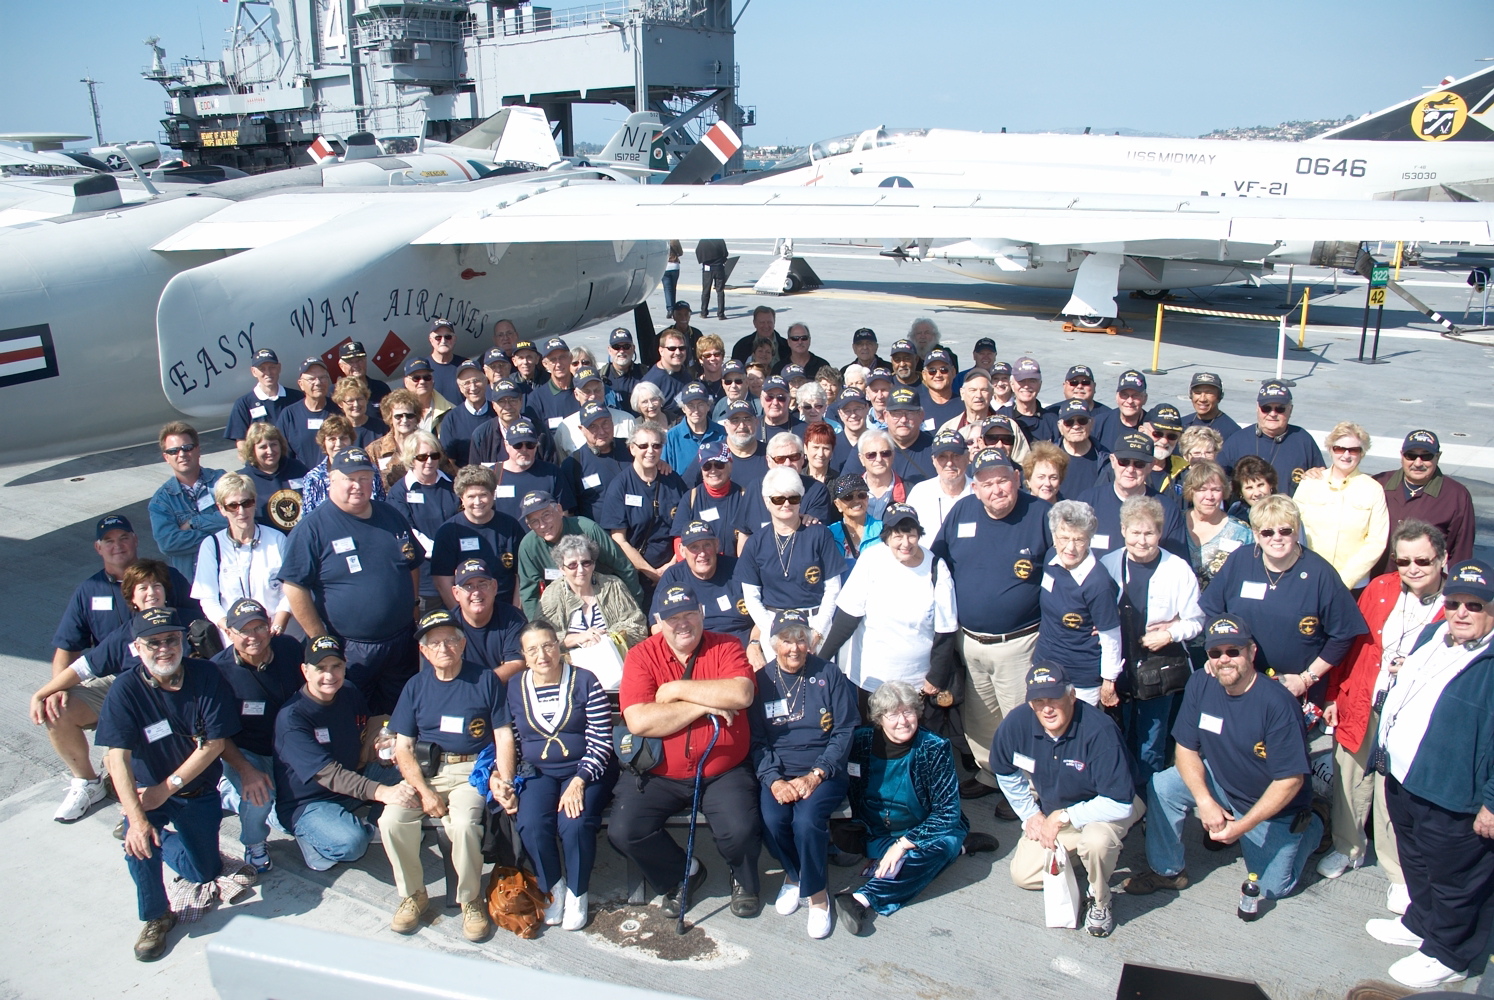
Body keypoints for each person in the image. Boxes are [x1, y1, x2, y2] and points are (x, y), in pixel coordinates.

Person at [1122, 614, 1323, 910]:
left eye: (1233, 651)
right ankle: (1168, 871)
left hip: (1269, 805)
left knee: (1272, 887)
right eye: (1215, 653)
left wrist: (1241, 827)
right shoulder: (1202, 683)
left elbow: (1290, 780)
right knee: (1163, 785)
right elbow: (1185, 749)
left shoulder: (1277, 704)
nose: (1224, 659)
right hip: (1223, 779)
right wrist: (1205, 801)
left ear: (1251, 652)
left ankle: (1317, 822)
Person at [1368, 559, 1494, 989]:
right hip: (1406, 777)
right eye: (1454, 602)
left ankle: (1451, 953)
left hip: (1454, 794)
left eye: (1474, 606)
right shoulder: (1433, 634)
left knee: (1454, 879)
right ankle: (1421, 922)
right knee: (1417, 862)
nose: (1461, 612)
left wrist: (1493, 803)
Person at [609, 584, 762, 918]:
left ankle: (744, 878)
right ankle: (684, 872)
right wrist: (702, 705)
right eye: (672, 618)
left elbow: (741, 693)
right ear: (659, 623)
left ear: (702, 614)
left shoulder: (727, 646)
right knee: (624, 831)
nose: (683, 624)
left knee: (740, 830)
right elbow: (639, 720)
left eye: (690, 614)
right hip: (660, 772)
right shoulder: (641, 656)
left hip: (722, 770)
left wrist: (676, 690)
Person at [96, 608, 237, 962]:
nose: (164, 649)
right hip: (147, 793)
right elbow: (117, 759)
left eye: (171, 640)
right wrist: (137, 817)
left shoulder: (206, 675)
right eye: (153, 642)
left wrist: (167, 788)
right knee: (139, 842)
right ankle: (156, 916)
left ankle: (167, 841)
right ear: (137, 648)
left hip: (196, 792)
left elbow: (214, 745)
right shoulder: (125, 689)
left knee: (206, 871)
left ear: (183, 642)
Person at [1319, 521, 1445, 907]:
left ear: (1442, 559)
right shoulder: (1381, 588)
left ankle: (1397, 870)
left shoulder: (1457, 603)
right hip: (1363, 700)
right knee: (1349, 777)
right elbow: (1352, 644)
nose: (1412, 568)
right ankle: (1348, 847)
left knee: (1395, 792)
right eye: (1403, 560)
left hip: (1413, 714)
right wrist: (1334, 694)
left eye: (1422, 560)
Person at [380, 609, 516, 941]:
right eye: (435, 643)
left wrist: (505, 778)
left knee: (466, 825)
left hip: (470, 770)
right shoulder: (415, 686)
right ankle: (413, 895)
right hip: (427, 773)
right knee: (391, 820)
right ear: (424, 651)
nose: (444, 648)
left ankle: (470, 900)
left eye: (451, 640)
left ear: (463, 644)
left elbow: (504, 736)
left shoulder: (484, 680)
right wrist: (424, 792)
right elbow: (402, 748)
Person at [37, 550, 198, 822]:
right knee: (61, 712)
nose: (151, 592)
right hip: (136, 702)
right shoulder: (125, 634)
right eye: (143, 588)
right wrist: (45, 692)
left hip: (184, 704)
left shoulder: (191, 620)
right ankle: (91, 785)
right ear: (132, 599)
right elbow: (83, 667)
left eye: (157, 585)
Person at [932, 447, 1051, 806]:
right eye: (987, 483)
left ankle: (1028, 789)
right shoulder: (962, 511)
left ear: (1017, 479)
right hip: (969, 641)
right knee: (981, 717)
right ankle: (992, 772)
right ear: (975, 488)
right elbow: (937, 561)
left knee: (1021, 719)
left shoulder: (1041, 514)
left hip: (1020, 642)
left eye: (1003, 480)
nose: (996, 489)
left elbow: (1066, 572)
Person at [992, 662, 1144, 938]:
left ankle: (1100, 899)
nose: (1047, 708)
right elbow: (1004, 769)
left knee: (1096, 842)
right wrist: (1030, 815)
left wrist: (1063, 817)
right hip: (1055, 813)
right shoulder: (1016, 723)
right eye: (1039, 701)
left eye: (1055, 698)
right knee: (1023, 875)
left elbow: (1120, 801)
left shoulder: (1099, 730)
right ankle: (1083, 860)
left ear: (1072, 696)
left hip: (1108, 807)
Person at [278, 447, 423, 714]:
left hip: (401, 642)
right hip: (351, 649)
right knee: (354, 714)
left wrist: (411, 605)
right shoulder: (313, 528)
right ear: (332, 479)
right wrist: (319, 637)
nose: (358, 485)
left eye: (365, 478)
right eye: (350, 478)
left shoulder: (390, 515)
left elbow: (412, 562)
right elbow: (294, 586)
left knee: (401, 713)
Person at [837, 680, 979, 935]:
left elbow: (947, 812)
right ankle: (962, 847)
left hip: (919, 831)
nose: (903, 721)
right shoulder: (859, 742)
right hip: (874, 832)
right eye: (893, 714)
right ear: (880, 718)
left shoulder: (934, 747)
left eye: (908, 712)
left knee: (941, 845)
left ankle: (861, 900)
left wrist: (902, 844)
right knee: (915, 861)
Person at [749, 610, 859, 938]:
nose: (794, 647)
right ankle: (794, 875)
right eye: (786, 640)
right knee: (772, 819)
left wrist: (816, 773)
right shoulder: (762, 682)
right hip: (780, 773)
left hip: (824, 771)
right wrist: (774, 779)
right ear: (774, 644)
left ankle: (818, 896)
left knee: (807, 822)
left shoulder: (829, 674)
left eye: (801, 638)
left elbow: (844, 730)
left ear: (810, 641)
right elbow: (757, 740)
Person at [1200, 494, 1367, 707]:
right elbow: (1213, 611)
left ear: (1296, 531)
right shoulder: (1239, 561)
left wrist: (1308, 678)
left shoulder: (1320, 574)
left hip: (1293, 689)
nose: (1276, 538)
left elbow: (1344, 634)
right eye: (1267, 532)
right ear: (1256, 534)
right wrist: (1217, 654)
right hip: (1239, 682)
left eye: (1285, 530)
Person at [508, 620, 618, 931]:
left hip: (587, 768)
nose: (542, 654)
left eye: (547, 645)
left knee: (575, 822)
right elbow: (513, 740)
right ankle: (553, 886)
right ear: (525, 656)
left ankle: (577, 892)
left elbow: (601, 738)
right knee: (530, 822)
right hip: (538, 772)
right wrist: (506, 779)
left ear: (559, 646)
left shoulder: (585, 681)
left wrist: (580, 780)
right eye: (533, 650)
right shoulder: (515, 687)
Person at [273, 634, 414, 872]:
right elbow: (329, 775)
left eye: (336, 666)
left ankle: (372, 820)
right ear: (305, 671)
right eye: (320, 668)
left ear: (345, 666)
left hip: (351, 785)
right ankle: (310, 836)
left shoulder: (348, 691)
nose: (330, 675)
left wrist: (385, 738)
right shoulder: (292, 718)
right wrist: (383, 792)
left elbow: (367, 726)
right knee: (352, 844)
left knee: (407, 764)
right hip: (311, 801)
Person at [1100, 496, 1206, 782]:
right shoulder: (1108, 564)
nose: (1141, 540)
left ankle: (1148, 804)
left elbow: (1196, 620)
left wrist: (1169, 634)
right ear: (1123, 530)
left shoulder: (1177, 569)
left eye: (1149, 533)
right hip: (1118, 667)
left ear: (1160, 533)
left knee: (1151, 743)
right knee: (1116, 736)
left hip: (1159, 667)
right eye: (1135, 532)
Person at [820, 504, 959, 714]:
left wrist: (936, 676)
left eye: (911, 536)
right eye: (898, 536)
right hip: (872, 680)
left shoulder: (936, 567)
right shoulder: (871, 559)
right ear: (886, 537)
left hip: (918, 683)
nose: (905, 544)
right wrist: (821, 662)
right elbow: (848, 617)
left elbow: (945, 630)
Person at [211, 598, 303, 873]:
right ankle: (254, 843)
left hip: (291, 744)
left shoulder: (289, 649)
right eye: (244, 631)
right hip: (247, 751)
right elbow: (217, 734)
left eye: (260, 627)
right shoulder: (217, 671)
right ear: (229, 633)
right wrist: (246, 770)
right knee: (259, 794)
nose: (254, 637)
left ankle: (230, 794)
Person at [737, 466, 846, 645]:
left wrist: (818, 630)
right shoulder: (755, 543)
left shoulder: (820, 534)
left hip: (815, 623)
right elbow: (751, 596)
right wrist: (773, 631)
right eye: (778, 499)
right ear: (767, 501)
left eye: (793, 498)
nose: (786, 504)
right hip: (773, 626)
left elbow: (833, 588)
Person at [1037, 500, 1122, 706]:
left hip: (1080, 677)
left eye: (1079, 539)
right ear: (1054, 537)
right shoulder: (1050, 559)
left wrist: (1109, 681)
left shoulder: (1098, 583)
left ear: (1090, 539)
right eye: (1064, 538)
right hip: (1044, 665)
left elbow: (1111, 637)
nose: (1070, 547)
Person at [192, 472, 292, 644]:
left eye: (247, 503)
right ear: (221, 509)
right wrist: (230, 630)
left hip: (277, 636)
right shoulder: (212, 546)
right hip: (235, 641)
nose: (241, 511)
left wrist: (277, 627)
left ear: (254, 501)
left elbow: (290, 591)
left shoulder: (277, 540)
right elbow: (208, 599)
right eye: (233, 506)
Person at [516, 491, 643, 620]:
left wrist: (636, 607)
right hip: (563, 607)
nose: (543, 525)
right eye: (535, 522)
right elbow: (529, 593)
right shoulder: (528, 546)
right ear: (529, 526)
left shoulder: (587, 529)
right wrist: (538, 629)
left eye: (546, 515)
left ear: (559, 510)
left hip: (604, 598)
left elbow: (624, 568)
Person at [1295, 421, 1390, 590]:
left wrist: (1345, 579)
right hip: (1309, 579)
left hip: (1353, 585)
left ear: (1362, 453)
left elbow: (1377, 541)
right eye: (1339, 448)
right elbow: (1293, 528)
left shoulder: (1373, 489)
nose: (1346, 455)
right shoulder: (1310, 483)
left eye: (1354, 450)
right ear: (1330, 449)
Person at [1371, 429, 1476, 576]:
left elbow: (1461, 551)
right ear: (1402, 455)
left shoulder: (1456, 496)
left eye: (1426, 456)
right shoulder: (1378, 484)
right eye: (1411, 456)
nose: (1418, 463)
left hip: (1423, 585)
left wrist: (1456, 592)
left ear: (1438, 457)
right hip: (1376, 584)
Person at [1079, 432, 1188, 562]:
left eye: (1139, 464)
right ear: (1113, 461)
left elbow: (1176, 563)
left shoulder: (1167, 509)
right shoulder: (1087, 502)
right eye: (1124, 462)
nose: (1130, 469)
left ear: (1151, 466)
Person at [651, 521, 758, 655]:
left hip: (743, 648)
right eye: (694, 547)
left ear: (717, 545)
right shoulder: (673, 577)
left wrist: (755, 644)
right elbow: (656, 626)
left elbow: (766, 613)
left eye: (707, 545)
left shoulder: (738, 568)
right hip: (697, 651)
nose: (702, 553)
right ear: (682, 551)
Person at [540, 534, 649, 664]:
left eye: (586, 563)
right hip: (571, 667)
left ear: (593, 564)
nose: (580, 570)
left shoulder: (613, 585)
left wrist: (607, 637)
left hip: (615, 661)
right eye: (572, 565)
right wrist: (578, 638)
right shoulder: (552, 594)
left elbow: (638, 626)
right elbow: (542, 638)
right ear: (562, 569)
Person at [429, 464, 524, 610]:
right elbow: (442, 582)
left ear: (493, 494)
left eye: (483, 495)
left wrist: (515, 611)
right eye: (471, 496)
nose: (478, 502)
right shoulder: (448, 532)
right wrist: (461, 618)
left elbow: (521, 575)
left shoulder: (510, 526)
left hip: (506, 608)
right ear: (461, 498)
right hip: (468, 610)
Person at [386, 432, 459, 613]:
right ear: (411, 459)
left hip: (458, 574)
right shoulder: (399, 493)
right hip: (425, 579)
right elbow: (407, 532)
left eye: (434, 456)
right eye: (422, 457)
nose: (429, 461)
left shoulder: (453, 485)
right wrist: (442, 552)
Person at [1217, 382, 1324, 497]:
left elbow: (1323, 478)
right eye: (1266, 408)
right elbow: (1218, 480)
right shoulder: (1237, 441)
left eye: (1280, 409)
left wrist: (1317, 474)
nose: (1272, 414)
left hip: (1289, 513)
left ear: (1290, 409)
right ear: (1257, 408)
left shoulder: (1303, 440)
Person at [150, 421, 228, 578]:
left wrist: (194, 523)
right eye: (173, 451)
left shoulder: (222, 481)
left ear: (198, 449)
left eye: (187, 448)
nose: (181, 455)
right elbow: (168, 544)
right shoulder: (161, 502)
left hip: (230, 577)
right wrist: (220, 537)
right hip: (192, 584)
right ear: (166, 457)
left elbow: (237, 515)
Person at [670, 441, 756, 555]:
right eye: (707, 466)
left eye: (719, 465)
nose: (713, 470)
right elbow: (679, 540)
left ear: (730, 466)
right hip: (699, 569)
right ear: (701, 469)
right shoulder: (690, 498)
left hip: (735, 568)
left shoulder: (744, 497)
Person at [449, 558, 527, 680]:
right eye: (468, 586)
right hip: (461, 693)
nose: (476, 592)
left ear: (494, 587)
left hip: (503, 694)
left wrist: (482, 686)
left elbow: (517, 664)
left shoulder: (513, 618)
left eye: (482, 584)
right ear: (456, 593)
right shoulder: (446, 626)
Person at [1183, 460, 1254, 590]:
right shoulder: (1175, 523)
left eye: (1216, 490)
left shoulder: (1242, 532)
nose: (1209, 496)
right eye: (1202, 489)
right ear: (1191, 491)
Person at [561, 401, 634, 519]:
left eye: (605, 423)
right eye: (592, 426)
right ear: (582, 429)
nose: (601, 431)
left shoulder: (632, 447)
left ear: (612, 421)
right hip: (597, 535)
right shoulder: (573, 464)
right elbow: (569, 514)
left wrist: (661, 464)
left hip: (638, 531)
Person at [236, 421, 308, 531]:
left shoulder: (297, 468)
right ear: (252, 450)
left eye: (273, 444)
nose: (270, 451)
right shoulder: (244, 480)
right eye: (263, 447)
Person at [224, 348, 302, 443]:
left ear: (279, 368)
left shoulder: (297, 398)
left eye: (272, 367)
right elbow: (241, 443)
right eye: (262, 369)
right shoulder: (243, 404)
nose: (268, 373)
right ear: (253, 371)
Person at [272, 358, 335, 466]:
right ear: (301, 384)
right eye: (311, 379)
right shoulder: (289, 415)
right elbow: (282, 453)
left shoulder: (339, 411)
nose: (318, 382)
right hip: (301, 478)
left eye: (322, 377)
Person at [907, 430, 972, 533]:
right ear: (933, 460)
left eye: (956, 456)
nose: (950, 463)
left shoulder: (980, 492)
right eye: (942, 456)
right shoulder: (920, 493)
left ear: (967, 458)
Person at [436, 360, 493, 466]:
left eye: (476, 381)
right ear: (460, 388)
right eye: (466, 383)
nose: (473, 387)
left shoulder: (498, 411)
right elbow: (449, 461)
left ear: (486, 381)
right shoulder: (451, 419)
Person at [467, 379, 530, 468]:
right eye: (501, 401)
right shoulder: (481, 435)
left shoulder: (539, 431)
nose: (507, 406)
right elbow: (475, 475)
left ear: (521, 401)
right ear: (493, 405)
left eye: (512, 400)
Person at [525, 336, 582, 433]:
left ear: (570, 358)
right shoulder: (537, 399)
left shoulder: (584, 390)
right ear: (545, 364)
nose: (558, 364)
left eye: (562, 357)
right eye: (553, 360)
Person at [365, 389, 423, 482]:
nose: (404, 420)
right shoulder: (374, 450)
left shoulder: (429, 445)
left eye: (409, 416)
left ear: (416, 418)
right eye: (398, 416)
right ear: (390, 417)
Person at [663, 382, 724, 472]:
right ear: (683, 408)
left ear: (708, 406)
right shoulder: (671, 437)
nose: (696, 410)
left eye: (700, 404)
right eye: (690, 405)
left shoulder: (722, 433)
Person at [827, 473, 882, 565]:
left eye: (861, 495)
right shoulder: (829, 534)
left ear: (867, 499)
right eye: (848, 497)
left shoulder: (884, 530)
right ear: (837, 504)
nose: (856, 500)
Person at [643, 328, 693, 422]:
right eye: (672, 348)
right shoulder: (651, 382)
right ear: (661, 351)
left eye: (682, 348)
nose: (678, 352)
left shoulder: (686, 375)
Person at [1091, 370, 1148, 450]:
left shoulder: (1152, 426)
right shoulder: (1099, 423)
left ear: (1145, 398)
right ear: (1117, 397)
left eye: (1136, 395)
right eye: (1124, 395)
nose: (1130, 401)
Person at [1180, 372, 1241, 437]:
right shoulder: (1181, 424)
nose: (1202, 399)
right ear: (1191, 395)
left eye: (1209, 393)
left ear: (1219, 396)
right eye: (1198, 393)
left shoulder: (1232, 432)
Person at [333, 374, 385, 448]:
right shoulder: (335, 432)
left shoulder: (381, 428)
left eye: (360, 399)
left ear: (366, 400)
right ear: (340, 403)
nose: (356, 404)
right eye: (350, 401)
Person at [402, 357, 452, 435]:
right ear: (406, 382)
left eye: (427, 377)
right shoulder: (396, 413)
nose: (422, 381)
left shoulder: (451, 411)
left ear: (432, 380)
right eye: (416, 378)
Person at [423, 318, 469, 404]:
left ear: (454, 339)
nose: (443, 341)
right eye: (438, 337)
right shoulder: (422, 368)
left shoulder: (466, 366)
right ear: (431, 340)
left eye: (448, 337)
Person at [939, 366, 995, 435]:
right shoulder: (948, 428)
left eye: (984, 390)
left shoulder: (1007, 426)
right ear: (962, 393)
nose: (978, 395)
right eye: (973, 390)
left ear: (992, 393)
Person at [336, 339, 390, 408]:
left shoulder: (381, 388)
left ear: (365, 361)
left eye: (359, 360)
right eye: (350, 362)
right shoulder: (334, 392)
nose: (356, 365)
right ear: (341, 366)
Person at [600, 327, 642, 415]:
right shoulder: (600, 377)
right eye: (616, 347)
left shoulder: (645, 374)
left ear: (633, 348)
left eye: (626, 346)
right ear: (609, 350)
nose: (622, 351)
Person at [1228, 453, 1279, 521]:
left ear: (1271, 484)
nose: (1257, 493)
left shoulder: (1285, 511)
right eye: (1249, 488)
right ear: (1240, 492)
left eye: (1260, 485)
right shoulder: (1235, 517)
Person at [697, 238, 729, 318]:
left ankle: (704, 312)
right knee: (720, 291)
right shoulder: (719, 240)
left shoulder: (703, 241)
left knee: (706, 291)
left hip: (707, 269)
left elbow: (698, 251)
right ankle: (721, 314)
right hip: (719, 268)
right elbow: (725, 253)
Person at [803, 421, 839, 489]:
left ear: (832, 451)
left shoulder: (838, 481)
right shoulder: (798, 480)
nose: (820, 454)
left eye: (826, 448)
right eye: (816, 447)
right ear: (805, 448)